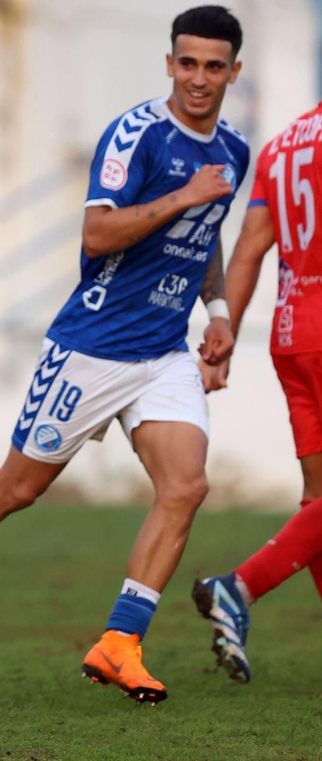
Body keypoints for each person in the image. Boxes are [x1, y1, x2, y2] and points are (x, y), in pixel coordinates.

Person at [0, 5, 249, 706]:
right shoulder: (137, 136)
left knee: (186, 486)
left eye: (213, 66)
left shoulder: (231, 150)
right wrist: (182, 196)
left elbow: (208, 236)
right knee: (15, 490)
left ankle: (121, 641)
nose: (198, 78)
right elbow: (99, 234)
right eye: (187, 62)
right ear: (169, 63)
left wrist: (222, 312)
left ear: (234, 71)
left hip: (163, 353)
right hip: (93, 346)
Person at [192, 96, 322, 683]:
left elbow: (248, 249)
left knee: (318, 496)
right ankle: (238, 587)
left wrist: (225, 335)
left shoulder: (284, 145)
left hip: (293, 331)